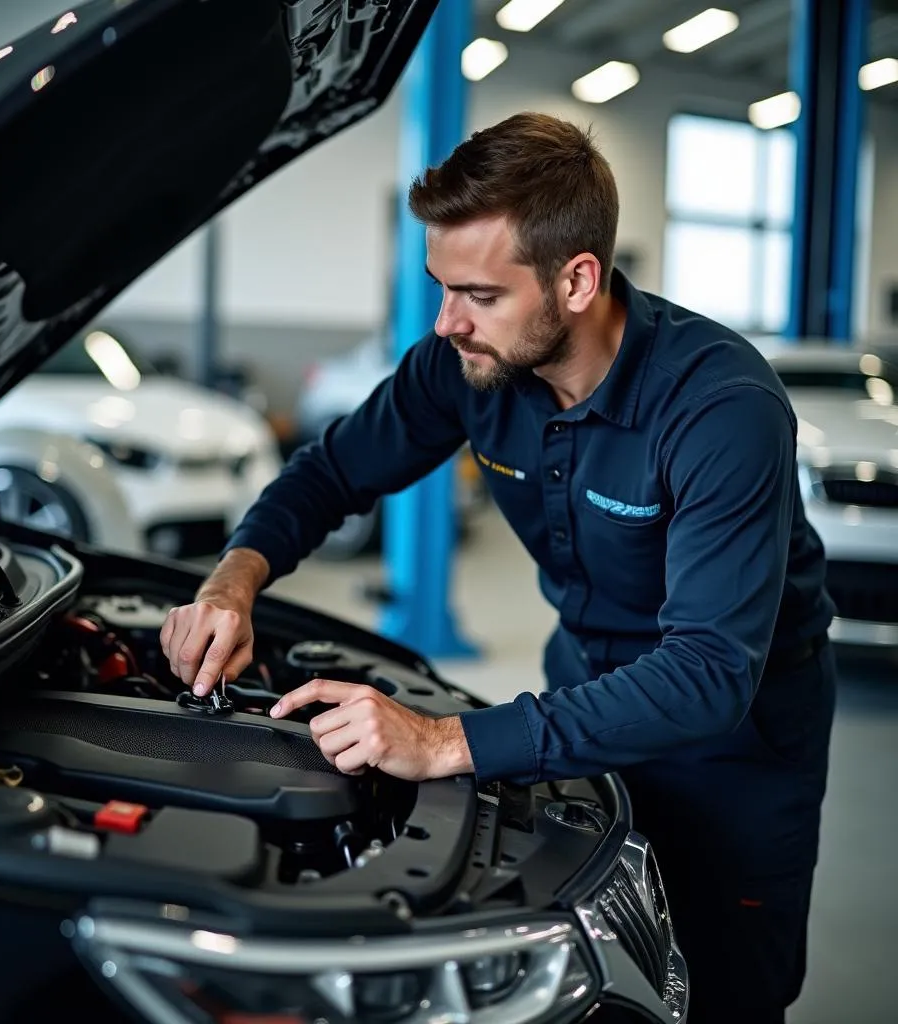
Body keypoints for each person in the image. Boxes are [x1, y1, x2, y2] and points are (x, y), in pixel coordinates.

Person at [159, 112, 836, 1024]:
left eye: (478, 293)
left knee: (721, 991)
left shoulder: (722, 408)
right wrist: (230, 582)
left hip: (736, 750)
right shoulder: (466, 365)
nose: (448, 322)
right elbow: (331, 471)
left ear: (578, 279)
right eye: (441, 287)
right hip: (582, 702)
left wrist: (443, 741)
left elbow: (710, 674)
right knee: (594, 976)